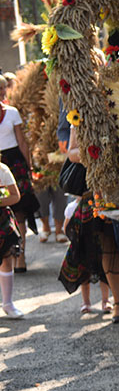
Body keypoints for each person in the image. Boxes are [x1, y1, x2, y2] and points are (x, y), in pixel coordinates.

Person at [59, 125, 119, 320]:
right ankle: (113, 302)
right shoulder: (79, 118)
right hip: (93, 193)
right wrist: (97, 152)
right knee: (95, 249)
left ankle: (116, 301)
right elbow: (71, 153)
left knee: (117, 250)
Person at [0, 74, 38, 274]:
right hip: (0, 165)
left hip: (14, 163)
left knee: (20, 209)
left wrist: (29, 166)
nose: (2, 92)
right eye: (0, 89)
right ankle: (6, 256)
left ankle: (20, 257)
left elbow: (22, 142)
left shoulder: (12, 112)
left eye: (4, 88)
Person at [0, 161, 23, 317]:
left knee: (7, 259)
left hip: (1, 218)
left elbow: (15, 196)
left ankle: (8, 304)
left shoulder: (2, 169)